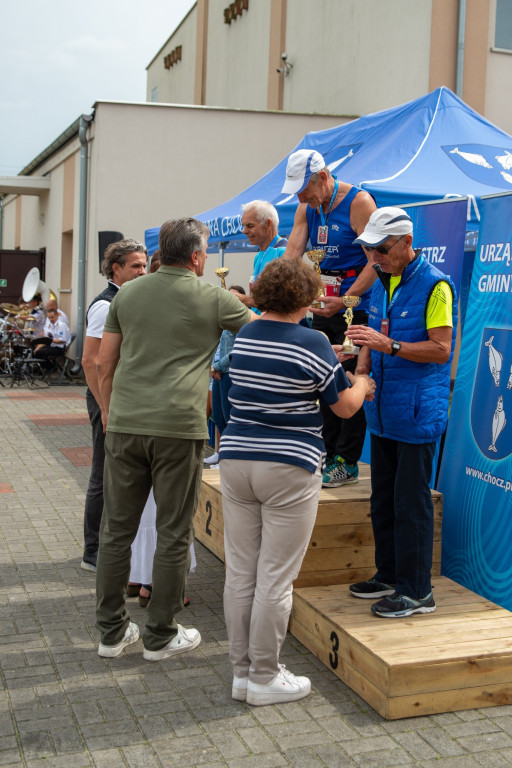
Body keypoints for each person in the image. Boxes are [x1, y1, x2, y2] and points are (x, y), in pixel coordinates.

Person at [95, 217, 255, 661]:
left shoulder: (128, 293)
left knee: (116, 533)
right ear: (198, 256)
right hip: (178, 429)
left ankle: (110, 633)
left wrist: (109, 411)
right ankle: (160, 635)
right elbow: (263, 330)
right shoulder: (213, 296)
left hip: (125, 424)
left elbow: (105, 364)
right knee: (172, 533)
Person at [219, 258, 375, 705]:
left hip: (237, 459)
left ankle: (242, 673)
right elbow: (344, 407)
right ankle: (265, 676)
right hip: (288, 465)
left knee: (242, 574)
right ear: (306, 297)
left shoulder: (246, 335)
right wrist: (361, 382)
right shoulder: (312, 341)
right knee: (275, 578)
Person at [344, 207, 457, 618]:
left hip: (416, 413)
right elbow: (373, 334)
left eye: (383, 249)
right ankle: (389, 574)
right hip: (383, 411)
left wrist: (387, 346)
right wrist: (359, 365)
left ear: (407, 243)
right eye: (370, 250)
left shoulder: (436, 287)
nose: (376, 258)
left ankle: (417, 591)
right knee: (383, 500)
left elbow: (442, 350)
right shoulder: (382, 280)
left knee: (412, 504)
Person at [281, 149, 377, 488]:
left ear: (322, 178)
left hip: (356, 303)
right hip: (325, 302)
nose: (301, 196)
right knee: (322, 378)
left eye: (304, 189)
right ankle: (324, 452)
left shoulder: (359, 203)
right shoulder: (307, 206)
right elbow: (292, 254)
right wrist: (279, 292)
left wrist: (346, 299)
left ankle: (346, 460)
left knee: (351, 377)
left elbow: (376, 261)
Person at [80, 239, 148, 572]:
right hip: (107, 400)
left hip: (120, 399)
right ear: (115, 268)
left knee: (116, 474)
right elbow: (90, 360)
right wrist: (105, 407)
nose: (142, 271)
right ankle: (92, 552)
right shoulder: (106, 305)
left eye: (144, 265)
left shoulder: (128, 300)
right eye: (135, 266)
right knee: (102, 474)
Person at [206, 285, 246, 468]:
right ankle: (223, 454)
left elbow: (236, 353)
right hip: (217, 373)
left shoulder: (240, 323)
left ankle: (230, 458)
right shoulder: (221, 321)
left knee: (229, 417)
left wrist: (216, 366)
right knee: (219, 417)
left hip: (228, 373)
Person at [231, 201, 287, 309]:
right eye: (244, 226)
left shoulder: (284, 252)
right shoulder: (259, 255)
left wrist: (245, 299)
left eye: (250, 226)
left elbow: (281, 300)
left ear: (268, 224)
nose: (244, 231)